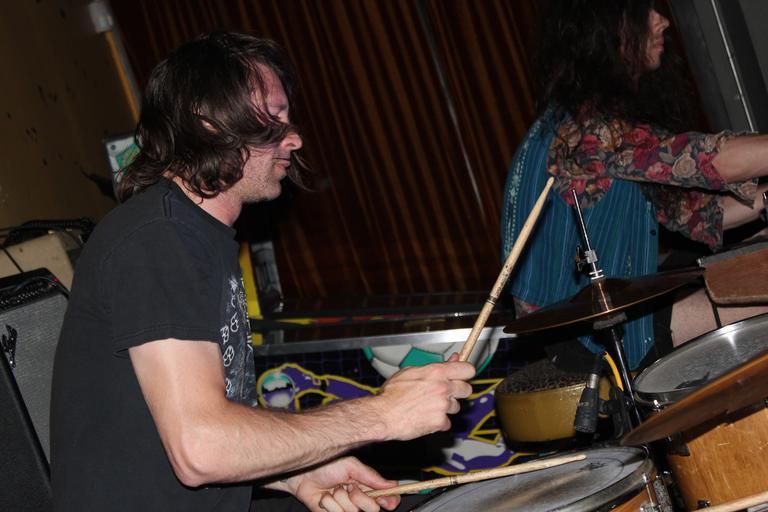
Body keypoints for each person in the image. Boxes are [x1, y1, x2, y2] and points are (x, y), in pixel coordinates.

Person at [50, 32, 475, 512]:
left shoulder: (197, 236)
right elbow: (201, 449)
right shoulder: (158, 239)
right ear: (210, 124)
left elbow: (206, 432)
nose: (294, 138)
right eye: (273, 118)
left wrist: (298, 473)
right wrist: (382, 415)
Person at [501, 0, 768, 371]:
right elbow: (711, 160)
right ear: (609, 28)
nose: (663, 22)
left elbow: (702, 215)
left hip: (604, 320)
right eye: (646, 11)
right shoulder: (588, 132)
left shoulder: (580, 121)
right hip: (589, 339)